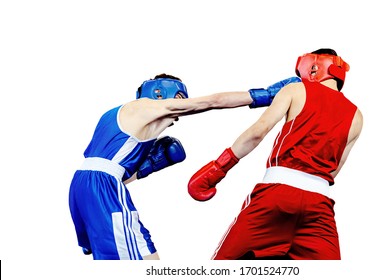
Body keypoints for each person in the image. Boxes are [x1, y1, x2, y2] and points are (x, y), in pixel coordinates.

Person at [68, 73, 297, 260]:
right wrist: (265, 95)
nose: (178, 114)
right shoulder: (146, 106)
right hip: (102, 187)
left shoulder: (116, 116)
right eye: (178, 98)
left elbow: (111, 171)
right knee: (141, 260)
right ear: (160, 93)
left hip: (83, 186)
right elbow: (211, 102)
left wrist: (148, 167)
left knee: (131, 257)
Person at [188, 49, 363, 260]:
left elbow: (257, 133)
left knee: (222, 265)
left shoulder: (296, 90)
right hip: (319, 207)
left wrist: (219, 168)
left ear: (313, 67)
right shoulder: (357, 115)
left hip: (276, 195)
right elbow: (333, 171)